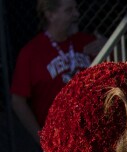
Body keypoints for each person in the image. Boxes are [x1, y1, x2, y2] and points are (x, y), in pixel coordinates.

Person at [9, 0, 97, 142]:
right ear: (50, 15)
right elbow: (18, 101)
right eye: (69, 10)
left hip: (93, 133)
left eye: (76, 8)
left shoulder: (89, 43)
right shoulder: (31, 53)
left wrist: (108, 45)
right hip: (59, 141)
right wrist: (42, 140)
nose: (77, 14)